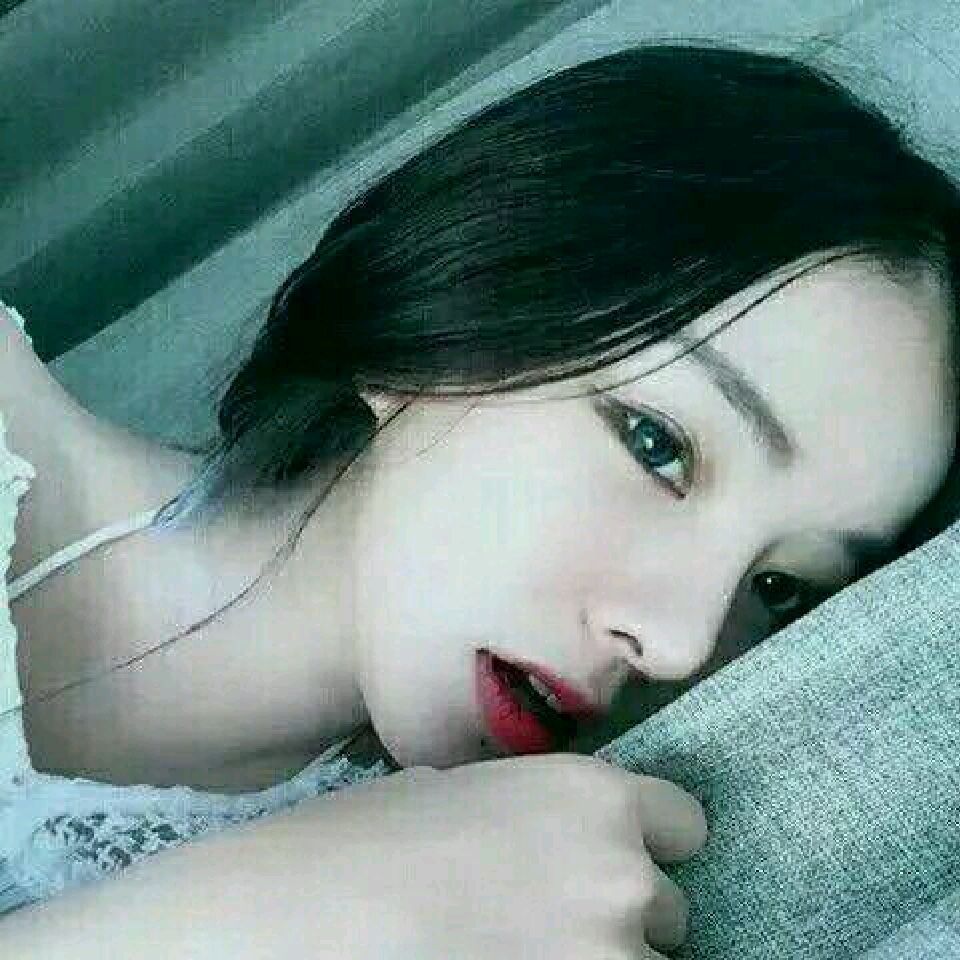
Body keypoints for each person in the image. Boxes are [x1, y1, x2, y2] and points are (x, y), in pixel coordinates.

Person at [1, 42, 958, 957]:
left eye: (783, 588)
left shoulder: (530, 904)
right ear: (465, 294)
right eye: (658, 446)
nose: (679, 644)